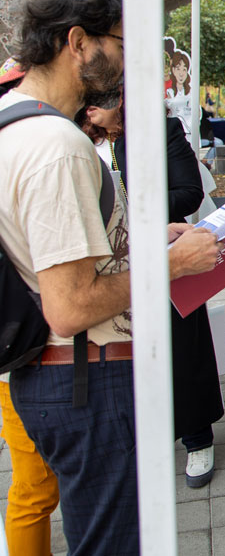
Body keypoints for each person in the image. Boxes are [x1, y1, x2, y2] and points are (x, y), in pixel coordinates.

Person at [0, 0, 220, 554]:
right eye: (121, 44)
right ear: (78, 42)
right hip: (88, 379)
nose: (126, 61)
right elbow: (71, 306)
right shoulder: (57, 145)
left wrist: (143, 238)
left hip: (60, 377)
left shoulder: (13, 123)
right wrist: (169, 264)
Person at [78, 99, 225, 487]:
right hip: (100, 262)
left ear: (121, 97)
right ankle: (141, 435)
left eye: (98, 100)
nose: (90, 109)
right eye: (86, 101)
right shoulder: (76, 138)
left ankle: (197, 438)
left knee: (182, 346)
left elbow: (189, 193)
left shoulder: (161, 131)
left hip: (163, 250)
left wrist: (131, 212)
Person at [0, 57, 60, 556]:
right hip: (23, 350)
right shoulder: (36, 144)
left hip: (25, 345)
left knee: (39, 484)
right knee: (36, 487)